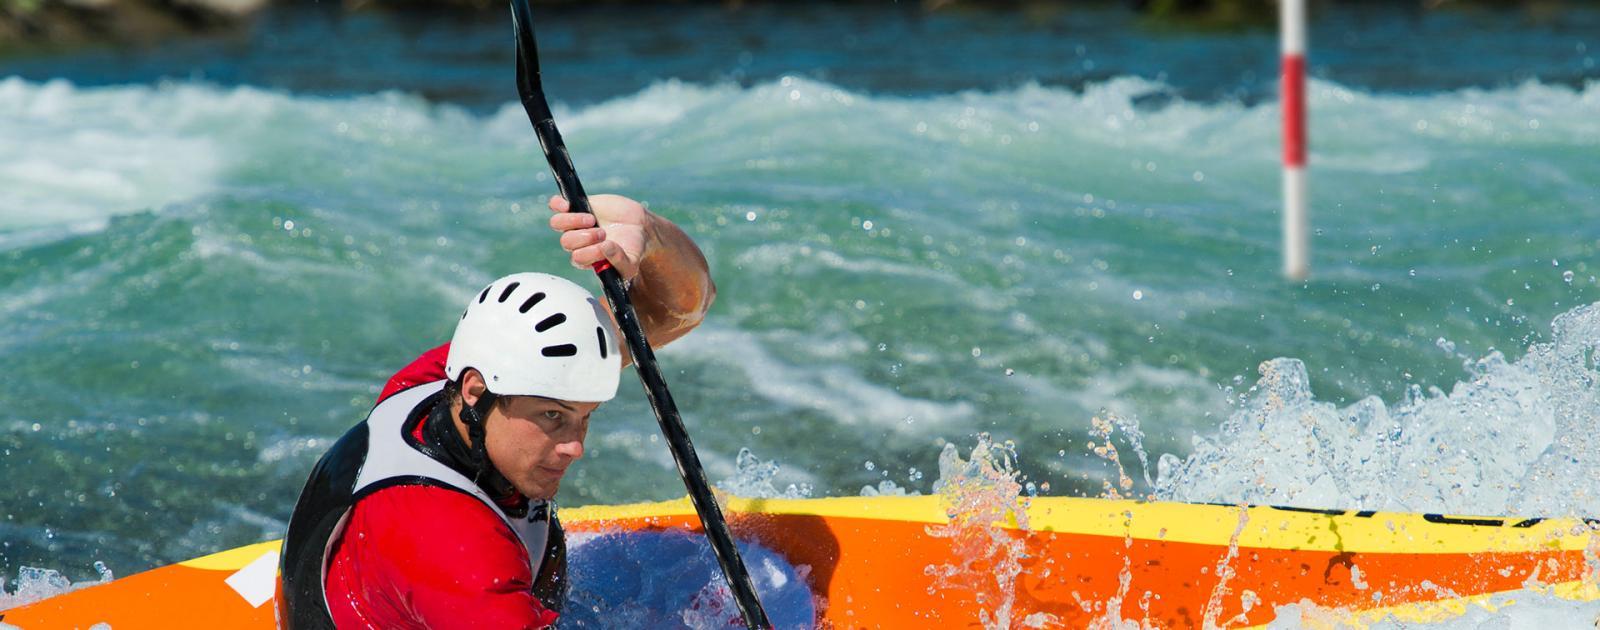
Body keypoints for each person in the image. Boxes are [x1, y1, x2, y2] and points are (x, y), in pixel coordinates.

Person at [276, 193, 716, 629]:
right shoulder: (459, 556)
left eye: (586, 415)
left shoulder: (437, 383)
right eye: (552, 417)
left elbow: (676, 309)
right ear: (476, 391)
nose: (575, 447)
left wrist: (649, 234)